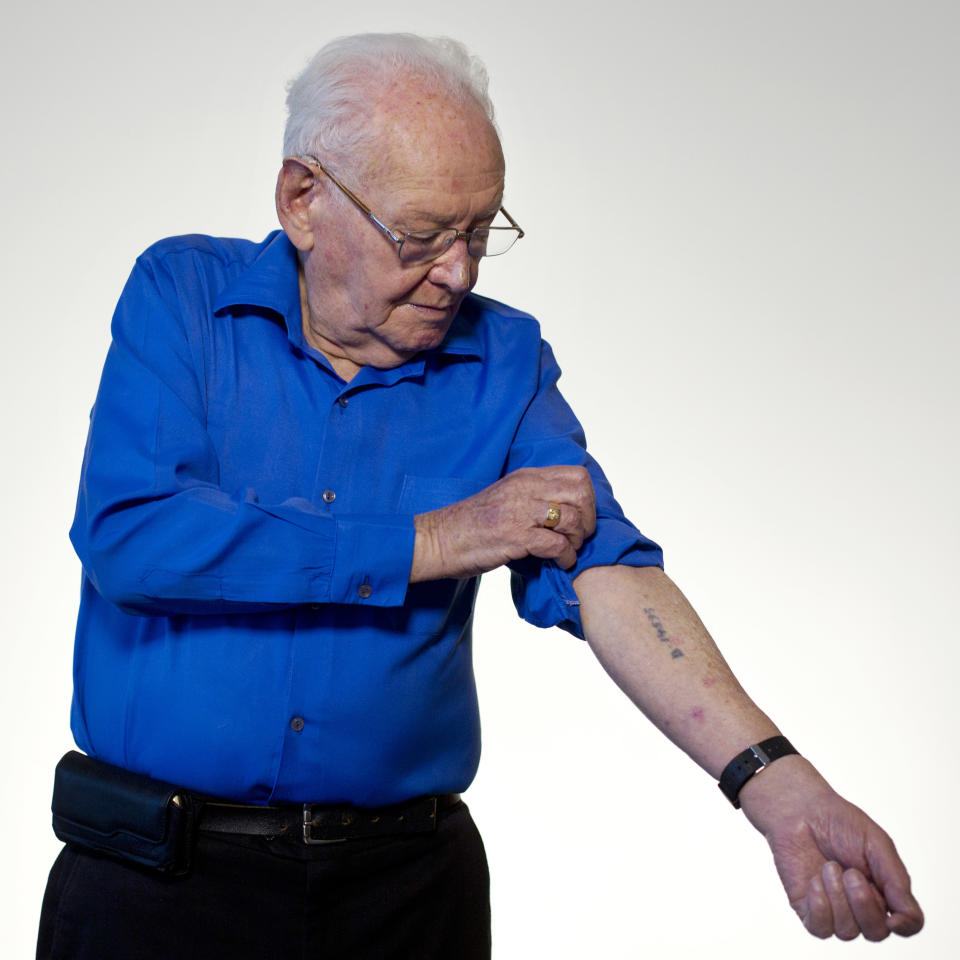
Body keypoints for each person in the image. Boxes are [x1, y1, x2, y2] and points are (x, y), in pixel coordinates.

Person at [38, 32, 923, 959]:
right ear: (303, 199)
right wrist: (431, 539)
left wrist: (778, 785)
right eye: (420, 237)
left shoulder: (505, 361)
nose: (458, 272)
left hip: (406, 896)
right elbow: (133, 536)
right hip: (151, 888)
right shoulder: (182, 296)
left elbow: (604, 571)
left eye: (480, 232)